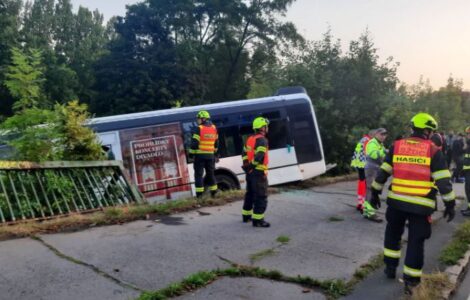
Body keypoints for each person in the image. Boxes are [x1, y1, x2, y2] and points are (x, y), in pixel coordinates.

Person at [370, 113, 455, 295]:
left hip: (396, 203)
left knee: (392, 234)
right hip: (421, 206)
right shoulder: (433, 151)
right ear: (427, 130)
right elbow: (443, 182)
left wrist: (375, 192)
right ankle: (410, 281)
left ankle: (390, 268)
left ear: (412, 128)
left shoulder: (397, 146)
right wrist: (450, 204)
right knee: (416, 241)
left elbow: (383, 172)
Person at [241, 117, 270, 228]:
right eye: (266, 126)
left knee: (250, 194)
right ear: (262, 127)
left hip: (250, 173)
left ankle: (246, 216)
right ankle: (258, 220)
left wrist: (247, 166)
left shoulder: (249, 139)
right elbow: (259, 157)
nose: (267, 128)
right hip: (258, 173)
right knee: (261, 196)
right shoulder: (262, 140)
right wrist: (252, 166)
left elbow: (243, 153)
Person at [189, 110, 219, 198]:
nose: (197, 121)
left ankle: (199, 195)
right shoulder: (214, 128)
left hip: (200, 156)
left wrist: (191, 154)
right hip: (210, 156)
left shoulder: (199, 128)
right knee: (210, 174)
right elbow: (216, 143)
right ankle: (214, 192)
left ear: (203, 119)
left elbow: (194, 144)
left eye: (198, 119)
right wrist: (215, 153)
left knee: (198, 175)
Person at [363, 128, 387, 222]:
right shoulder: (372, 143)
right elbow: (374, 155)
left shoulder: (380, 144)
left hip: (376, 169)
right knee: (371, 190)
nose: (383, 136)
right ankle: (369, 213)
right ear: (376, 134)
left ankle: (368, 211)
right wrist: (385, 152)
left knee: (373, 190)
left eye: (385, 135)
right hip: (371, 170)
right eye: (381, 134)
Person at [350, 129, 376, 213]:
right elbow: (367, 153)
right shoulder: (368, 141)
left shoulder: (363, 139)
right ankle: (363, 204)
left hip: (358, 164)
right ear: (372, 135)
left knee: (361, 182)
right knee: (365, 183)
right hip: (363, 164)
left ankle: (359, 203)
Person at [462, 126, 470, 216]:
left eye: (468, 134)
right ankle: (469, 208)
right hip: (468, 171)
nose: (467, 135)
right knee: (468, 190)